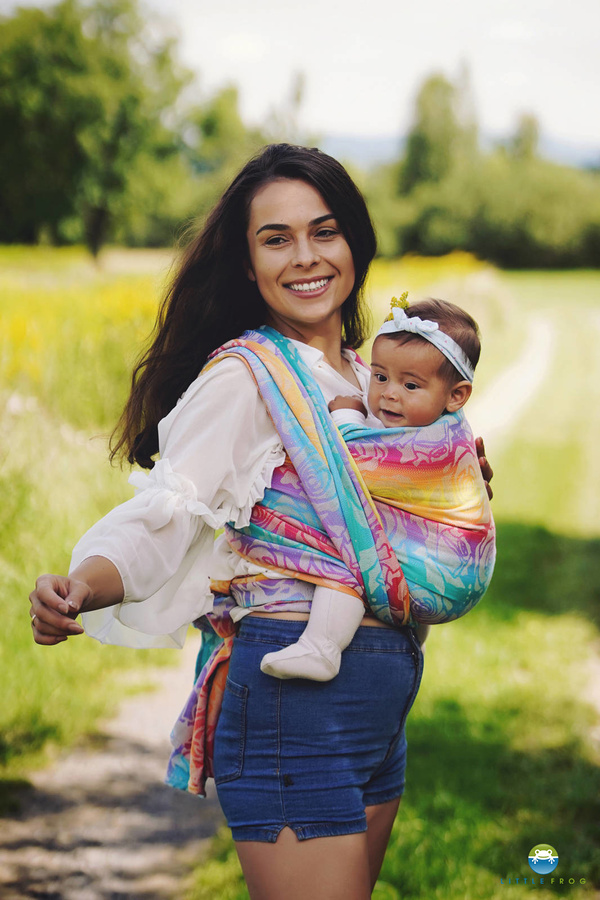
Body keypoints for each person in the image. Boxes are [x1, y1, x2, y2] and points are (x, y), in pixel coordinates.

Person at [29, 144, 493, 900]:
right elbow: (166, 514)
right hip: (293, 702)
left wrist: (446, 490)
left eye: (325, 231)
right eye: (276, 239)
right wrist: (80, 585)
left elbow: (395, 516)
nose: (305, 257)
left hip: (380, 698)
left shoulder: (371, 377)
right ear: (248, 264)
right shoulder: (248, 376)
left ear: (356, 245)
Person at [260, 295, 494, 682]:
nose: (388, 393)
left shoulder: (438, 443)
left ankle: (322, 647)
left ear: (457, 395)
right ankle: (411, 641)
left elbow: (351, 463)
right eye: (380, 376)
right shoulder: (443, 424)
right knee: (379, 539)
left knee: (352, 554)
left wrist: (348, 415)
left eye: (410, 384)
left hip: (446, 571)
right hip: (451, 572)